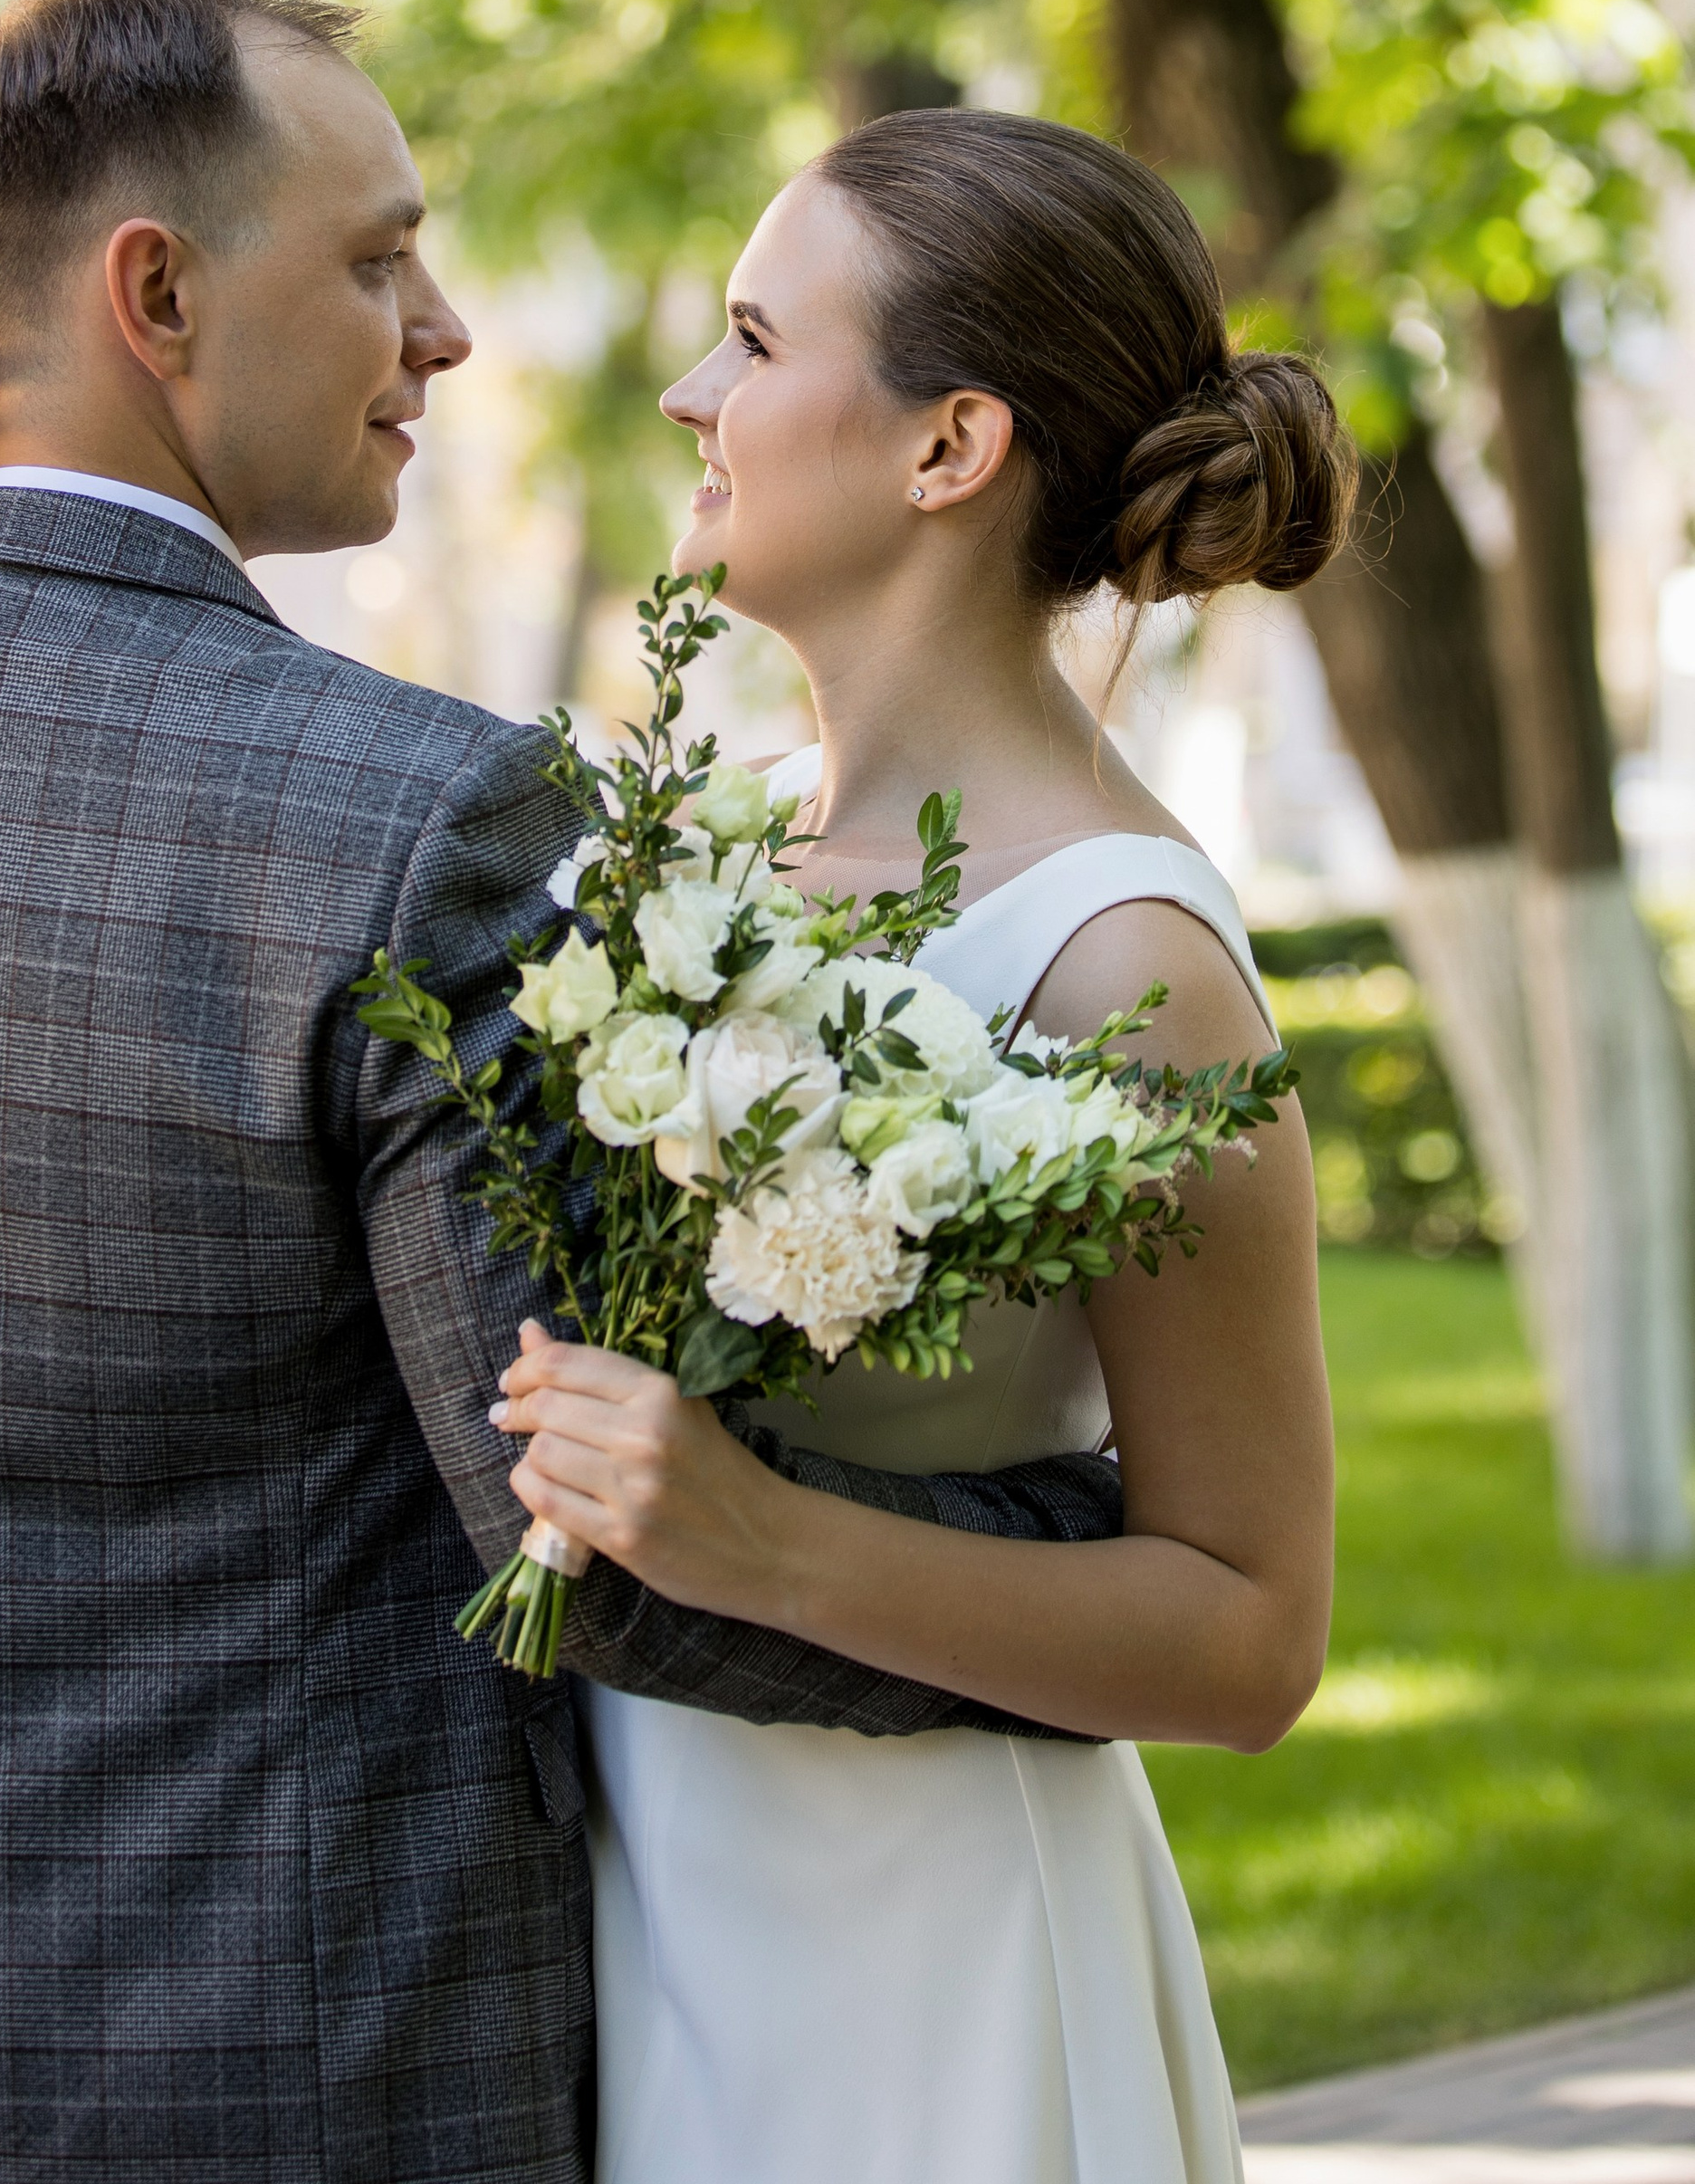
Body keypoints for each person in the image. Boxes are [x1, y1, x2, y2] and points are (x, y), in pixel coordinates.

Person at [0, 0, 1119, 2184]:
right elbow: (583, 1545)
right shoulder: (426, 818)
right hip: (285, 2076)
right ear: (156, 293)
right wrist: (1095, 1572)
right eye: (377, 257)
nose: (444, 331)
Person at [489, 110, 1347, 2184]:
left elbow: (1248, 1631)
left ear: (943, 446)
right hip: (624, 1901)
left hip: (922, 1979)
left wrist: (757, 1540)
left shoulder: (1125, 959)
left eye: (752, 339)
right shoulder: (684, 845)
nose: (692, 395)